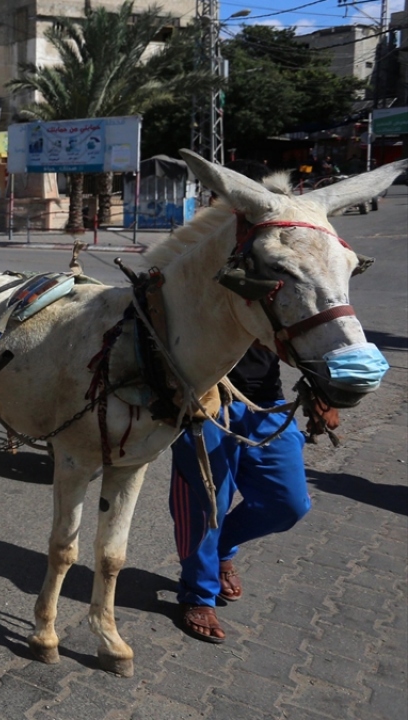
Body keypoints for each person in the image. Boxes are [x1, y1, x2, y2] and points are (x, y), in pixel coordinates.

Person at [170, 159, 310, 644]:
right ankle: (197, 594)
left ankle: (224, 547)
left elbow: (300, 326)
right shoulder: (204, 262)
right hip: (205, 402)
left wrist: (319, 386)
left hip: (266, 402)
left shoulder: (283, 262)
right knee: (205, 502)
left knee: (288, 502)